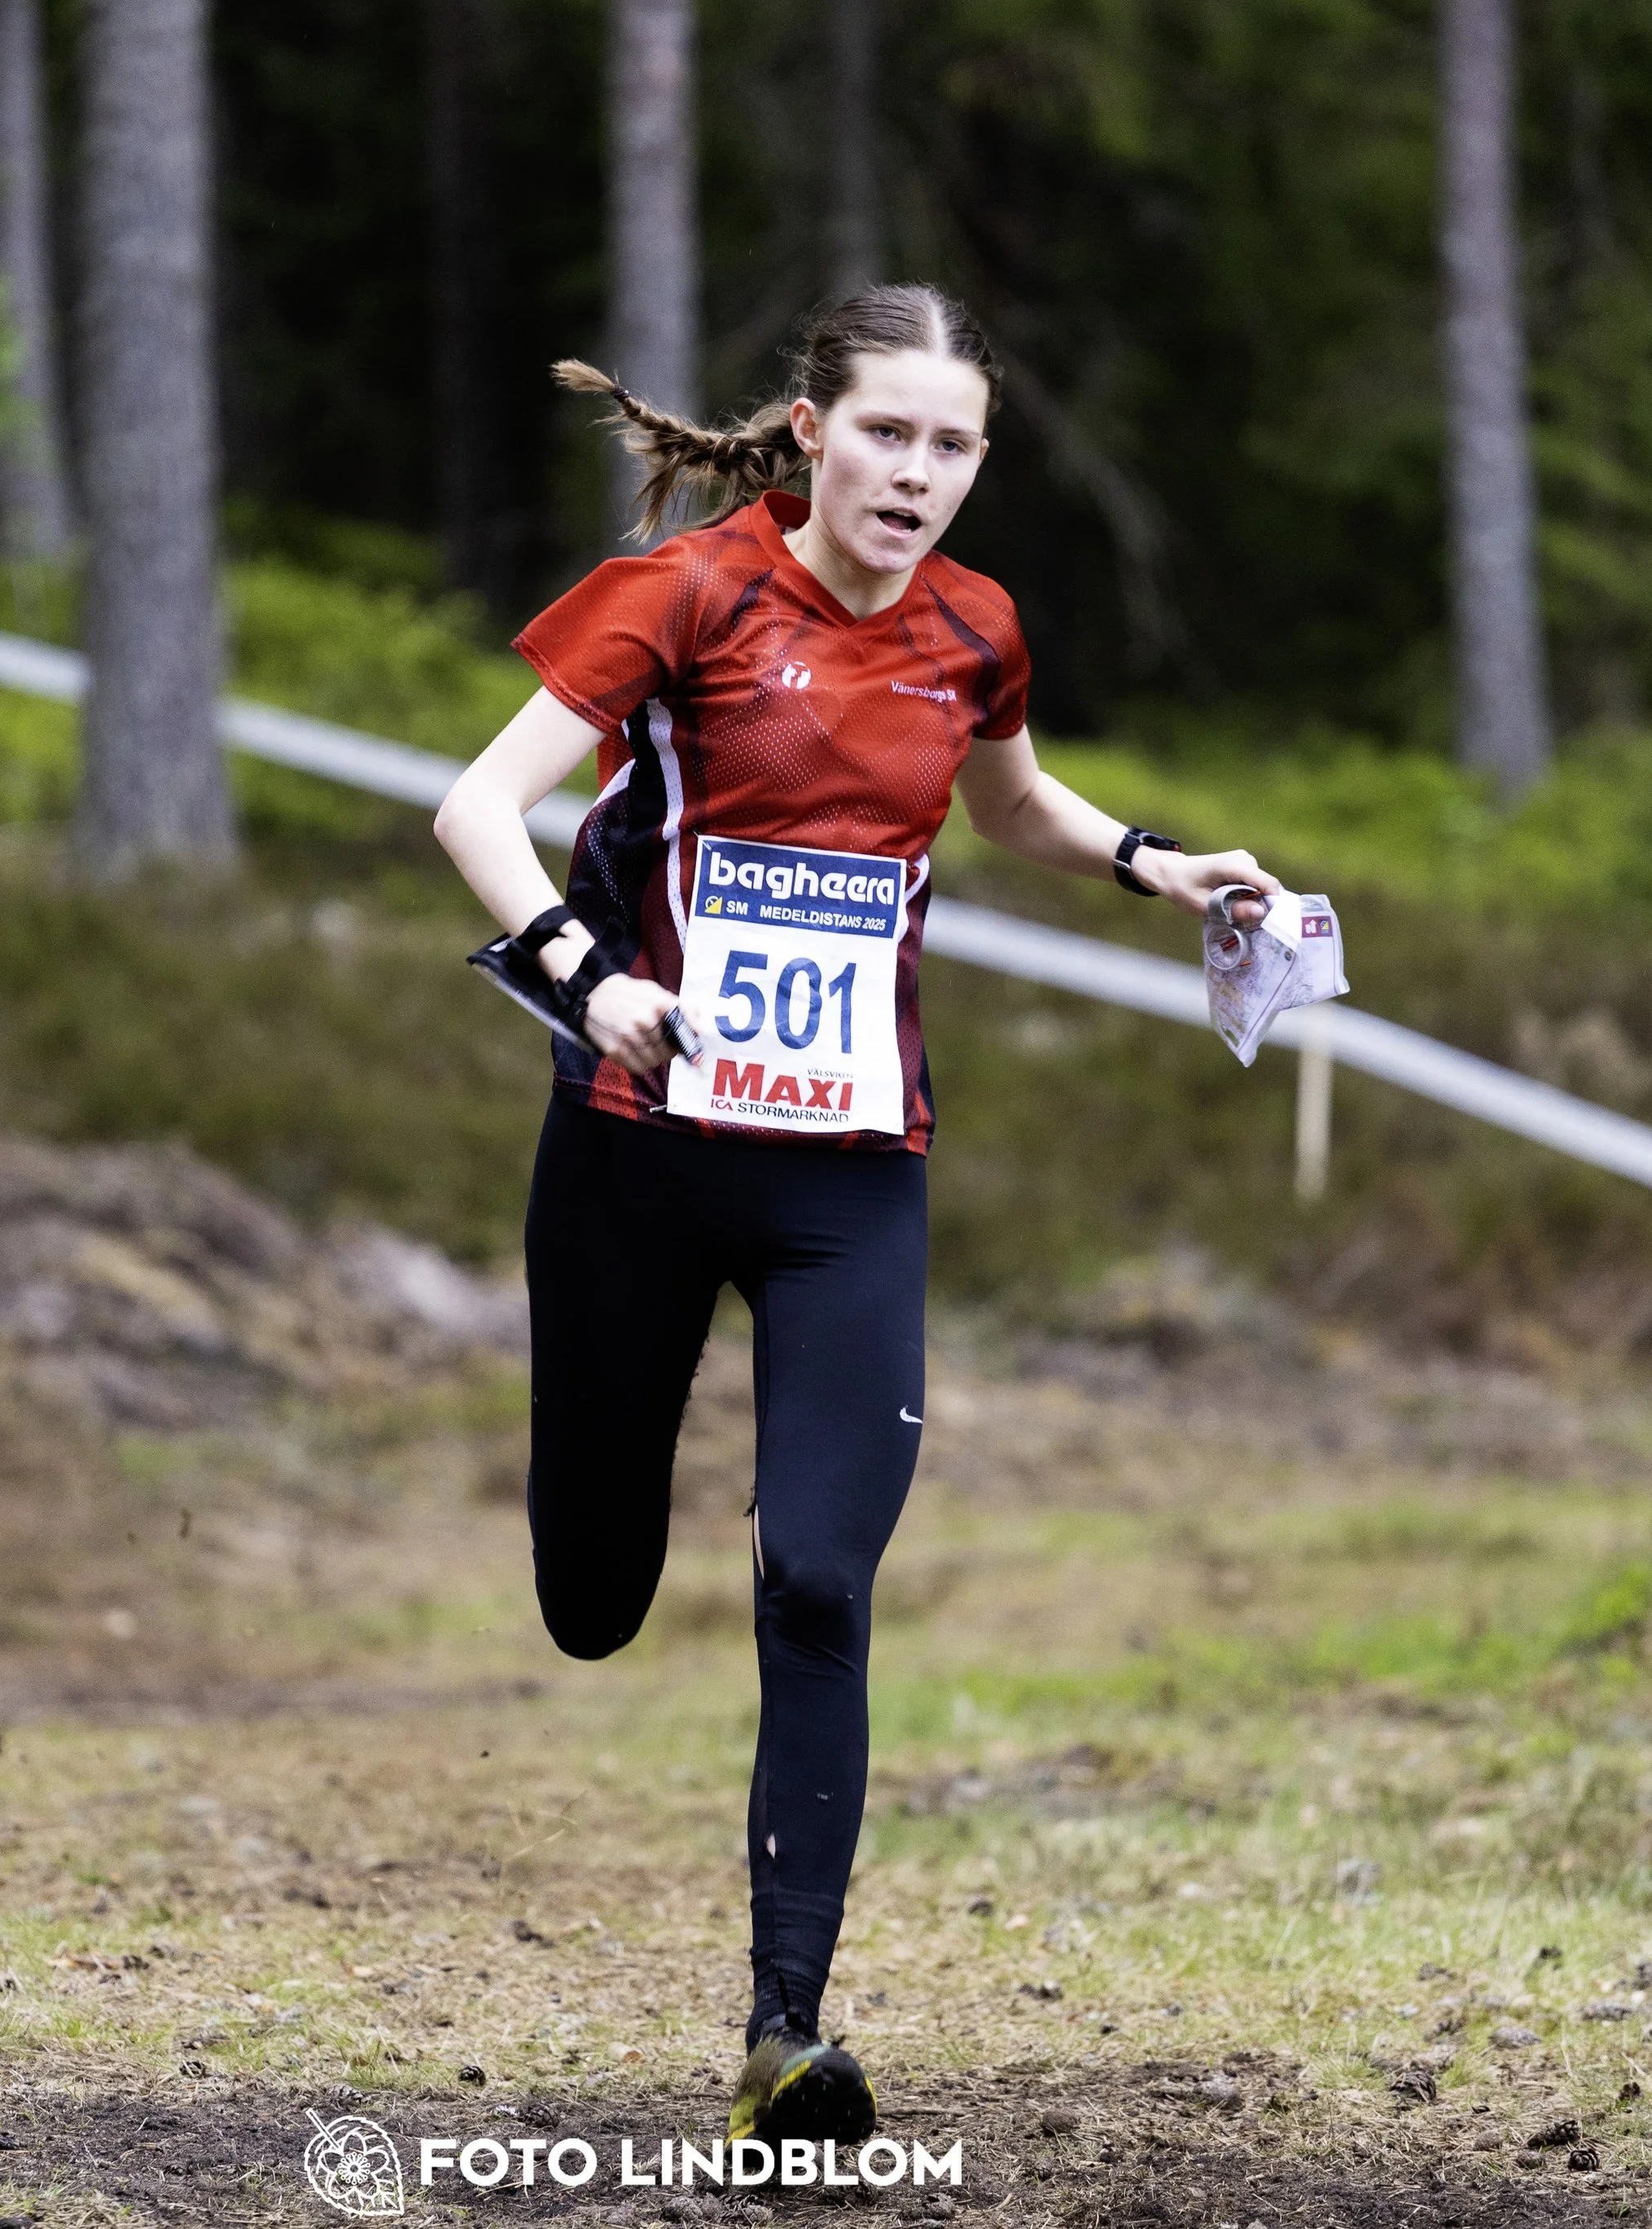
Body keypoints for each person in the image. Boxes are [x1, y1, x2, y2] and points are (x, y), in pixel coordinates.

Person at [433, 284, 1278, 2146]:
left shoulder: (972, 625)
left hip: (849, 1167)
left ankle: (783, 2034)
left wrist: (1153, 862)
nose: (918, 471)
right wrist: (588, 979)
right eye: (888, 432)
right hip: (635, 1136)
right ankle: (588, 1496)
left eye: (954, 443)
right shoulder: (687, 594)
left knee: (817, 1575)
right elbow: (475, 806)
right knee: (590, 1597)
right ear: (812, 430)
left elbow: (1011, 803)